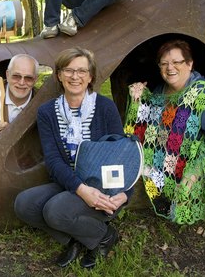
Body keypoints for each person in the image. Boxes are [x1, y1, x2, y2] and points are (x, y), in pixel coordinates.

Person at [14, 47, 131, 269]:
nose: (75, 76)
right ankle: (84, 239)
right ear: (59, 75)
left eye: (81, 71)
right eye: (68, 70)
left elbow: (122, 153)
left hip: (101, 185)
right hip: (68, 182)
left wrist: (126, 194)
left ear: (90, 76)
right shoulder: (48, 112)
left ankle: (104, 234)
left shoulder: (104, 107)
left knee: (54, 211)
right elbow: (53, 160)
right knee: (24, 205)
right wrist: (80, 190)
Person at [124, 39, 205, 225]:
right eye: (164, 64)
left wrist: (195, 172)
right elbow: (144, 128)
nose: (169, 68)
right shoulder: (159, 91)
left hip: (190, 161)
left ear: (189, 64)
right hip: (162, 158)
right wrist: (138, 100)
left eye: (176, 62)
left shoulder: (203, 95)